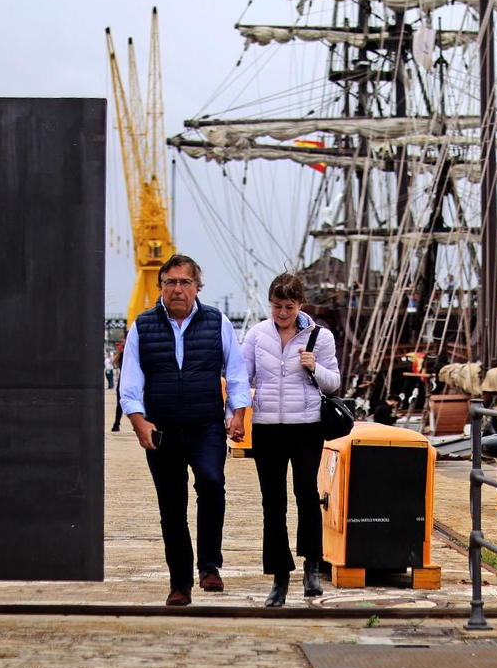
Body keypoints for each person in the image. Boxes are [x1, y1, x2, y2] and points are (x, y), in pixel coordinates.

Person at [119, 254, 250, 606]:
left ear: (197, 287)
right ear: (160, 287)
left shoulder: (217, 322)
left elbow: (236, 372)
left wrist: (237, 414)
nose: (178, 289)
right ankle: (180, 583)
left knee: (212, 482)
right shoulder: (142, 327)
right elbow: (130, 380)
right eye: (170, 282)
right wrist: (137, 420)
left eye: (185, 282)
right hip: (161, 430)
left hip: (205, 425)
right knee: (171, 507)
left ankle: (209, 565)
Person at [242, 272, 340, 607]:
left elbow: (334, 383)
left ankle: (312, 566)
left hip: (306, 425)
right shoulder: (257, 335)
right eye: (276, 306)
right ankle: (279, 578)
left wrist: (314, 368)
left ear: (300, 304)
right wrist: (235, 414)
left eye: (288, 306)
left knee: (306, 493)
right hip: (267, 426)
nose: (282, 313)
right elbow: (244, 376)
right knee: (272, 502)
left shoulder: (319, 337)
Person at [110, 344, 125, 432]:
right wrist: (119, 354)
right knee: (119, 404)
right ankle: (116, 424)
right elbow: (115, 362)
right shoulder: (122, 354)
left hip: (133, 379)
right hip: (122, 380)